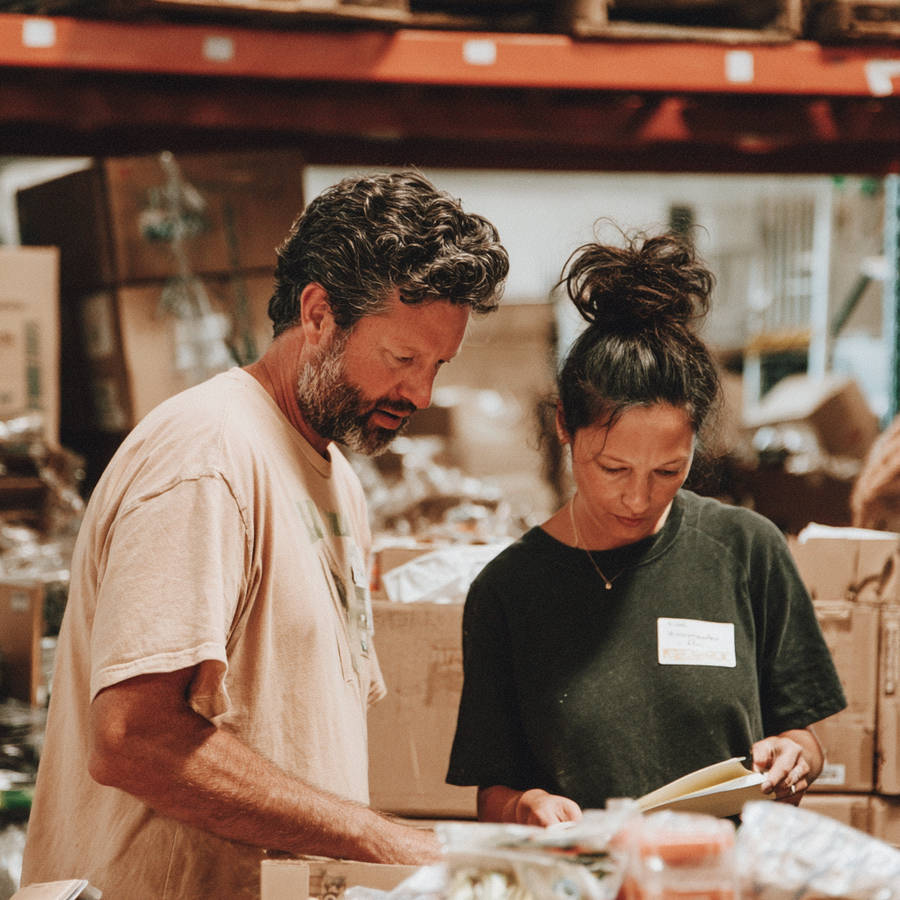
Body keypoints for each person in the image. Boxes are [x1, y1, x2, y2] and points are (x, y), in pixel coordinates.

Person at [21, 170, 509, 897]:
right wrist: (378, 837)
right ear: (318, 313)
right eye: (403, 359)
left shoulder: (336, 475)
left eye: (437, 365)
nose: (421, 394)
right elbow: (134, 739)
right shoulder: (208, 455)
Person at [445, 228, 847, 827]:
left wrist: (796, 755)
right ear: (564, 425)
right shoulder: (509, 589)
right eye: (613, 468)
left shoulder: (747, 550)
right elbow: (495, 795)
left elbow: (804, 736)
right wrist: (527, 806)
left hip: (720, 881)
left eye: (668, 470)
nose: (638, 497)